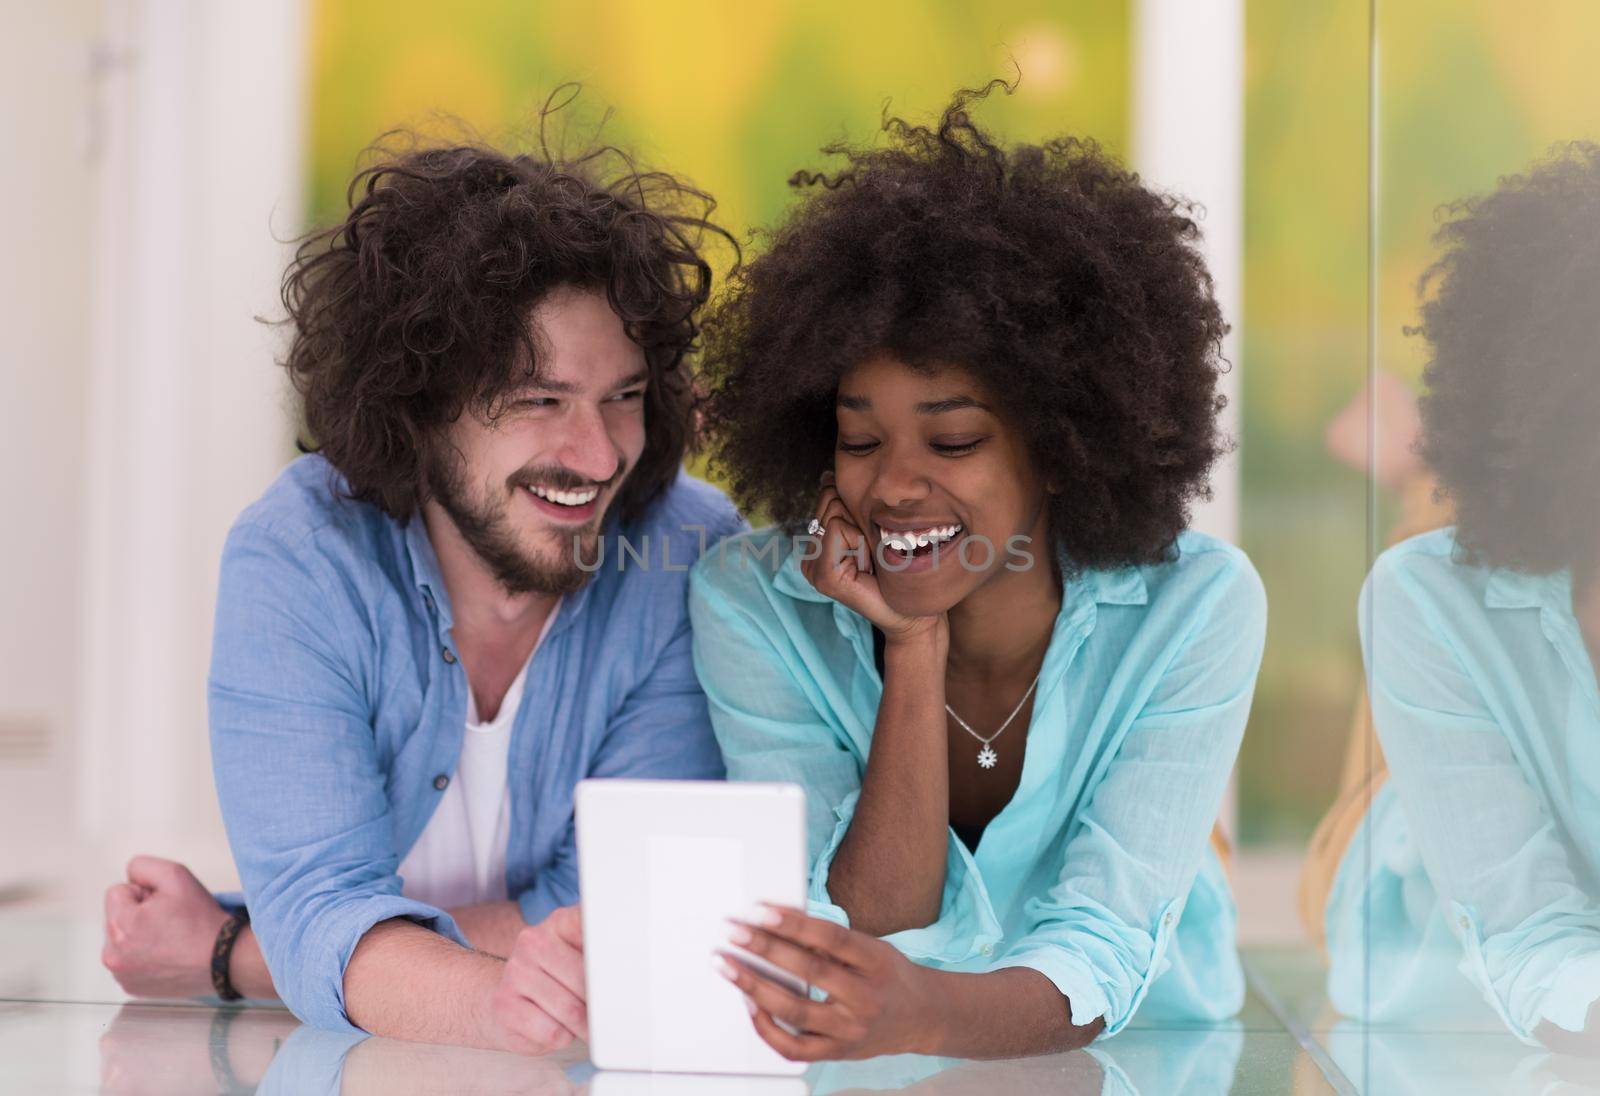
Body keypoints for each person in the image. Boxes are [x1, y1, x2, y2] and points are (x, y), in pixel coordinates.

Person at [99, 102, 745, 1052]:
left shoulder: (687, 552)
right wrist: (491, 1000)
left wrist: (237, 949)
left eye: (625, 398)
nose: (601, 453)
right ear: (422, 405)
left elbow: (620, 904)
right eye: (540, 401)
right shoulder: (299, 558)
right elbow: (329, 906)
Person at [686, 81, 1267, 1061]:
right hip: (865, 1056)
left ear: (1059, 445)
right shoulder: (751, 601)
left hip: (1139, 1055)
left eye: (952, 440)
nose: (894, 485)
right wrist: (912, 646)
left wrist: (924, 1012)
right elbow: (864, 922)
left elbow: (1106, 938)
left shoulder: (1194, 605)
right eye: (858, 438)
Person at [1320, 143, 1600, 1047]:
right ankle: (1420, 488)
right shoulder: (1426, 594)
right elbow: (1532, 939)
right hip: (1426, 911)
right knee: (1426, 577)